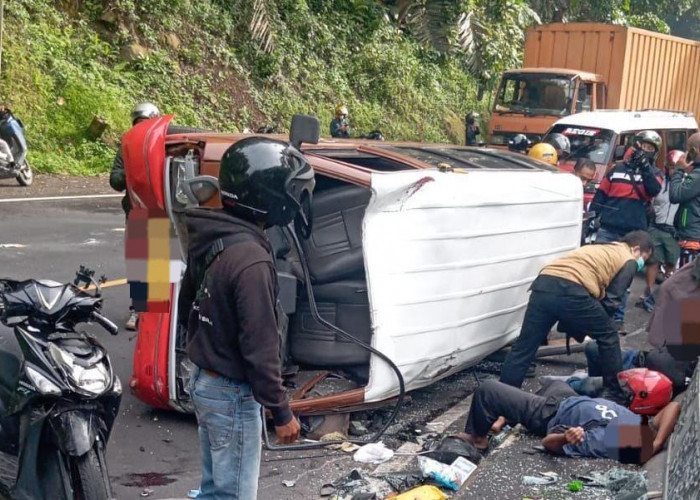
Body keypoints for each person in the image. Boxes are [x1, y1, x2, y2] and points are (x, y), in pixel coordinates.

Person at [179, 137, 312, 499]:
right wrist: (281, 411)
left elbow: (187, 302)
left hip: (205, 381)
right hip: (231, 392)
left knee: (214, 488)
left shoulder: (213, 235)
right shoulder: (251, 260)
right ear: (271, 196)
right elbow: (260, 345)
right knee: (234, 494)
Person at [499, 230, 654, 404]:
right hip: (571, 288)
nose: (642, 263)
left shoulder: (602, 248)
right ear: (636, 249)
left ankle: (502, 398)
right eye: (644, 258)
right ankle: (614, 392)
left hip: (544, 283)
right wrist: (589, 327)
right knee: (608, 336)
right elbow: (611, 302)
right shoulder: (628, 259)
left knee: (524, 347)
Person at [458, 378, 680, 462]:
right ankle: (503, 417)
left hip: (549, 413)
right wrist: (658, 442)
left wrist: (565, 438)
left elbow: (548, 443)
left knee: (488, 389)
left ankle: (478, 438)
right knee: (558, 382)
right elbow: (674, 406)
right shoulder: (639, 424)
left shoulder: (603, 440)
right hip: (568, 398)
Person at [591, 131, 663, 327]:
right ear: (635, 145)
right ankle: (594, 316)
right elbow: (601, 195)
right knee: (599, 273)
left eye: (650, 148)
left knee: (624, 278)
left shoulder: (655, 174)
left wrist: (645, 168)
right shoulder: (616, 169)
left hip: (633, 235)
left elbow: (654, 190)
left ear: (654, 152)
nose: (645, 150)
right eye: (643, 145)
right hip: (608, 228)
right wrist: (593, 216)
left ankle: (617, 318)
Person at [110, 102, 162, 331]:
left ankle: (158, 313)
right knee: (140, 264)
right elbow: (115, 179)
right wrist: (130, 171)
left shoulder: (163, 145)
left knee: (159, 263)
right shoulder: (127, 146)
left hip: (160, 210)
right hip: (136, 210)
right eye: (138, 124)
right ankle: (138, 309)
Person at [638, 150, 683, 311]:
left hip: (673, 230)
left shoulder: (685, 184)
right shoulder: (659, 181)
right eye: (670, 167)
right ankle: (649, 292)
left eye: (676, 167)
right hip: (656, 226)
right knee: (653, 261)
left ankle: (664, 292)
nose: (673, 170)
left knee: (672, 262)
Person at [670, 132, 700, 267]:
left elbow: (675, 195)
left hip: (693, 236)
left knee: (687, 282)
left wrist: (679, 170)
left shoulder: (698, 176)